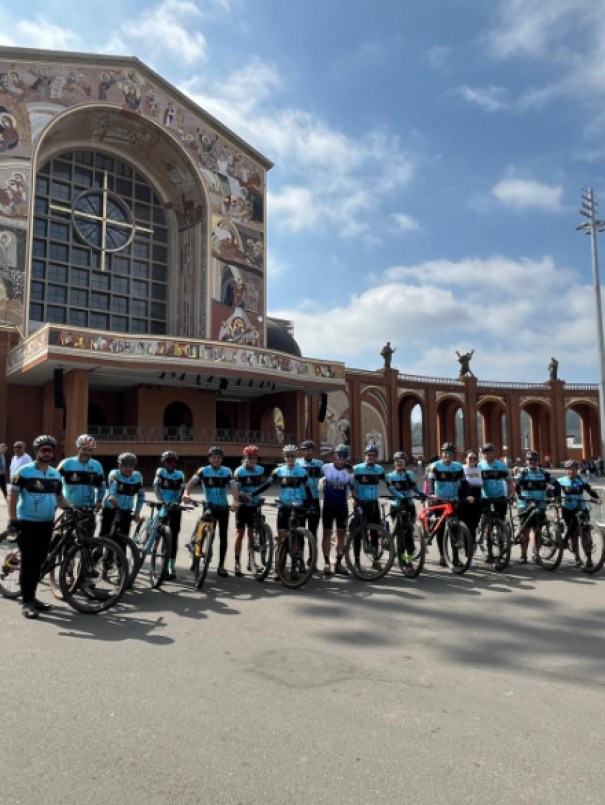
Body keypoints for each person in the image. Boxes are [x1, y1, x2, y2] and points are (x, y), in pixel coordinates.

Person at [7, 435, 73, 619]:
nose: (47, 453)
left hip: (46, 524)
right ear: (36, 452)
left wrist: (73, 509)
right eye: (43, 450)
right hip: (27, 523)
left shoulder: (55, 474)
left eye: (50, 451)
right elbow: (12, 497)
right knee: (29, 563)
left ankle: (32, 598)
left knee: (39, 562)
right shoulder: (24, 472)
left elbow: (59, 498)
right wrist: (13, 520)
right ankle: (27, 602)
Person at [254, 444, 315, 580]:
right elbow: (267, 485)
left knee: (295, 540)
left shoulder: (302, 473)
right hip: (283, 506)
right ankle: (278, 568)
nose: (290, 458)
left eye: (292, 456)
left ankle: (293, 568)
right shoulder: (279, 471)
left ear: (296, 456)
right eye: (287, 456)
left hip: (297, 507)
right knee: (282, 540)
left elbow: (308, 491)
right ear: (284, 457)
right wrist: (253, 494)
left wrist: (310, 505)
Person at [183, 446, 239, 578]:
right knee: (208, 536)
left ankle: (221, 566)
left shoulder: (227, 471)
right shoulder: (203, 471)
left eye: (218, 458)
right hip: (209, 507)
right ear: (209, 459)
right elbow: (191, 483)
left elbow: (234, 486)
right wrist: (186, 493)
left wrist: (236, 500)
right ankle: (197, 556)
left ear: (222, 459)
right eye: (213, 457)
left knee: (223, 538)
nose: (216, 460)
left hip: (223, 507)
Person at [428, 443, 474, 567]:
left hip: (453, 500)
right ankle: (443, 556)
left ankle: (455, 558)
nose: (447, 455)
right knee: (441, 528)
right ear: (441, 453)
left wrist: (469, 495)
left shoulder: (458, 466)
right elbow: (431, 481)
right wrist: (432, 494)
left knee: (454, 528)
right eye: (445, 453)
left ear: (453, 455)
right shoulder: (435, 466)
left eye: (450, 453)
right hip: (439, 500)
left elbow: (464, 483)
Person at [552, 460, 602, 568]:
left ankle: (588, 558)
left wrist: (597, 498)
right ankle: (576, 557)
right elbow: (556, 493)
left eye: (574, 469)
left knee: (586, 533)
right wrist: (558, 502)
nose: (572, 471)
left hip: (581, 507)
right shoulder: (561, 481)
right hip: (568, 508)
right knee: (572, 533)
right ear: (566, 470)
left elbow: (589, 490)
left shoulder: (581, 480)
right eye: (569, 469)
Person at [57, 434, 105, 539]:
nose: (86, 452)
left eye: (89, 450)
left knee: (88, 540)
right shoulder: (66, 463)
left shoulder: (97, 465)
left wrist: (99, 500)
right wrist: (58, 498)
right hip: (70, 508)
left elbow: (102, 486)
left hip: (88, 509)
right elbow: (55, 481)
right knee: (67, 540)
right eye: (84, 449)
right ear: (78, 448)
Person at [320, 444, 355, 577]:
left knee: (341, 533)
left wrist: (355, 500)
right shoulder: (326, 468)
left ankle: (338, 562)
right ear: (335, 455)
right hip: (328, 506)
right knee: (327, 534)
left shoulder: (349, 470)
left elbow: (352, 488)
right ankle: (326, 562)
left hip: (342, 506)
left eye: (344, 456)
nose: (342, 458)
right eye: (340, 455)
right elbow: (315, 482)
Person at [513, 449, 551, 564]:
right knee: (525, 531)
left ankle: (536, 554)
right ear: (526, 461)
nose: (533, 462)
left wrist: (554, 495)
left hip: (540, 504)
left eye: (535, 460)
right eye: (530, 460)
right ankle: (523, 555)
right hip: (525, 504)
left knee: (537, 530)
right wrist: (519, 495)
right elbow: (516, 483)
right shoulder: (523, 472)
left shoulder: (543, 472)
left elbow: (554, 483)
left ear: (538, 461)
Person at [386, 451, 424, 567]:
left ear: (405, 463)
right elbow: (392, 490)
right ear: (394, 463)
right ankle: (401, 558)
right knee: (401, 535)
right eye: (397, 461)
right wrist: (402, 497)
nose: (399, 463)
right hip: (397, 507)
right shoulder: (390, 476)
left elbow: (414, 487)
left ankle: (409, 559)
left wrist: (421, 493)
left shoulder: (410, 475)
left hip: (409, 506)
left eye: (401, 461)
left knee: (409, 534)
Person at [153, 451, 186, 581]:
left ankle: (171, 566)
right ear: (164, 463)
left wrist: (178, 502)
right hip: (163, 506)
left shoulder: (180, 474)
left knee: (174, 538)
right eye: (168, 462)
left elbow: (182, 489)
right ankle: (163, 565)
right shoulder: (160, 472)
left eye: (173, 462)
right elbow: (156, 487)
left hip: (175, 507)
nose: (171, 464)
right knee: (162, 535)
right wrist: (161, 500)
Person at [101, 452, 145, 549]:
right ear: (119, 466)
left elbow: (141, 496)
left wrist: (137, 512)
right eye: (125, 466)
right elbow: (113, 485)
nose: (128, 469)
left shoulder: (138, 477)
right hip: (111, 509)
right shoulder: (115, 474)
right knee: (104, 535)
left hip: (126, 512)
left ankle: (120, 558)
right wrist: (112, 496)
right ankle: (97, 553)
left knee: (122, 542)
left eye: (131, 466)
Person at [477, 443, 513, 564]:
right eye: (486, 453)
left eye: (491, 452)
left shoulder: (502, 466)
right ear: (483, 454)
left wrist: (512, 495)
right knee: (488, 526)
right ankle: (489, 553)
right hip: (486, 498)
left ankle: (502, 551)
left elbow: (509, 481)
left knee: (501, 525)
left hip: (500, 498)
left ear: (494, 453)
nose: (489, 455)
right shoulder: (479, 466)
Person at [234, 445, 265, 577]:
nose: (252, 460)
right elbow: (236, 490)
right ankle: (237, 562)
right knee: (239, 534)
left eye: (254, 458)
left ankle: (250, 561)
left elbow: (261, 485)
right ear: (245, 458)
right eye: (249, 458)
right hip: (243, 506)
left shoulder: (260, 469)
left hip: (255, 505)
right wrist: (242, 495)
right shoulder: (239, 472)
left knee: (251, 534)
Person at [296, 440, 323, 571]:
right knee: (300, 532)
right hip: (301, 500)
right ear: (302, 451)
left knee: (313, 532)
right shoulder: (296, 463)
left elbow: (326, 477)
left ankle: (312, 561)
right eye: (307, 450)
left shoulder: (319, 464)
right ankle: (300, 560)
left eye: (312, 450)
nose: (310, 452)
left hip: (315, 500)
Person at [462, 450, 483, 566]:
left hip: (477, 497)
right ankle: (467, 555)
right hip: (466, 498)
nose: (473, 460)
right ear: (465, 459)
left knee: (474, 526)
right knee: (468, 527)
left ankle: (470, 553)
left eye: (475, 458)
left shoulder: (479, 469)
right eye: (470, 458)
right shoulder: (462, 469)